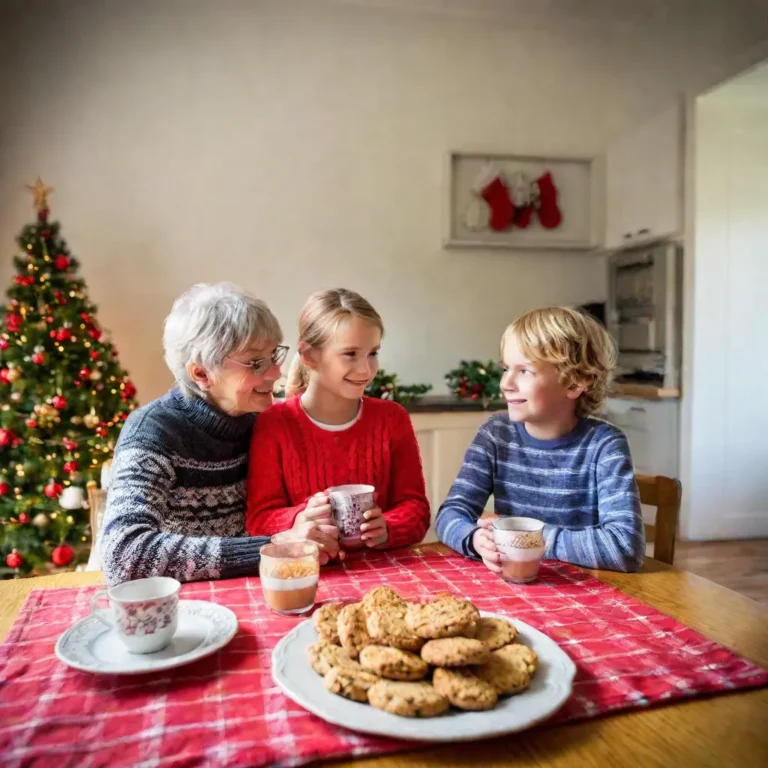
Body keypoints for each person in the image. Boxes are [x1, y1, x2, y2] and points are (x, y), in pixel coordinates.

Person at [100, 282, 338, 585]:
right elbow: (124, 555)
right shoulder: (153, 431)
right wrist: (272, 547)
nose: (275, 373)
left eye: (273, 356)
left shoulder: (268, 422)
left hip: (265, 589)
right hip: (188, 609)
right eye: (255, 362)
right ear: (201, 374)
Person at [436, 306, 644, 573]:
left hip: (585, 592)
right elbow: (450, 514)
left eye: (525, 371)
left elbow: (625, 548)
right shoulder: (496, 434)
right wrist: (476, 539)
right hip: (516, 585)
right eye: (506, 368)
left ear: (574, 383)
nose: (505, 383)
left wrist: (528, 538)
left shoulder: (604, 445)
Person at [246, 288, 429, 552]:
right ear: (309, 356)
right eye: (350, 354)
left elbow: (416, 508)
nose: (366, 369)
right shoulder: (274, 424)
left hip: (386, 575)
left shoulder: (392, 419)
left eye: (373, 353)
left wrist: (389, 527)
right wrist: (300, 519)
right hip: (310, 573)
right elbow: (259, 519)